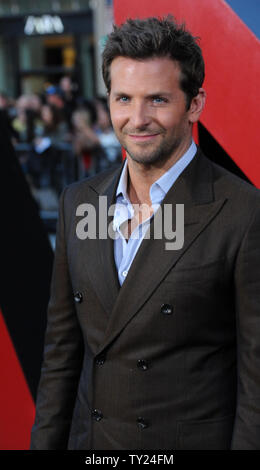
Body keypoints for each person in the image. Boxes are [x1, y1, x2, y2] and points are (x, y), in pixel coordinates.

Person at [30, 16, 260, 450]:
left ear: (194, 104)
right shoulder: (80, 203)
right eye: (123, 98)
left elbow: (256, 381)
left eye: (157, 99)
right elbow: (61, 355)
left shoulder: (243, 213)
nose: (137, 119)